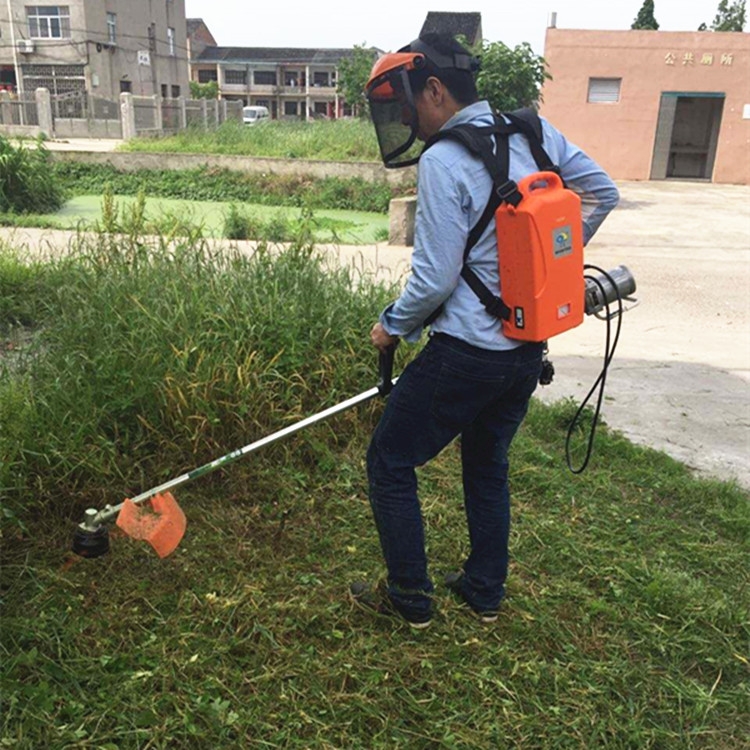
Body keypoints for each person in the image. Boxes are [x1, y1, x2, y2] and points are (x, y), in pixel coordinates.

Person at [350, 33, 619, 629]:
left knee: (390, 461)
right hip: (525, 351)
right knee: (487, 464)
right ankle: (483, 591)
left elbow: (434, 279)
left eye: (406, 101)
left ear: (436, 89)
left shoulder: (444, 161)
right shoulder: (532, 132)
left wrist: (390, 328)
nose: (403, 117)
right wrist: (551, 268)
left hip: (467, 353)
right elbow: (602, 193)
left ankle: (410, 599)